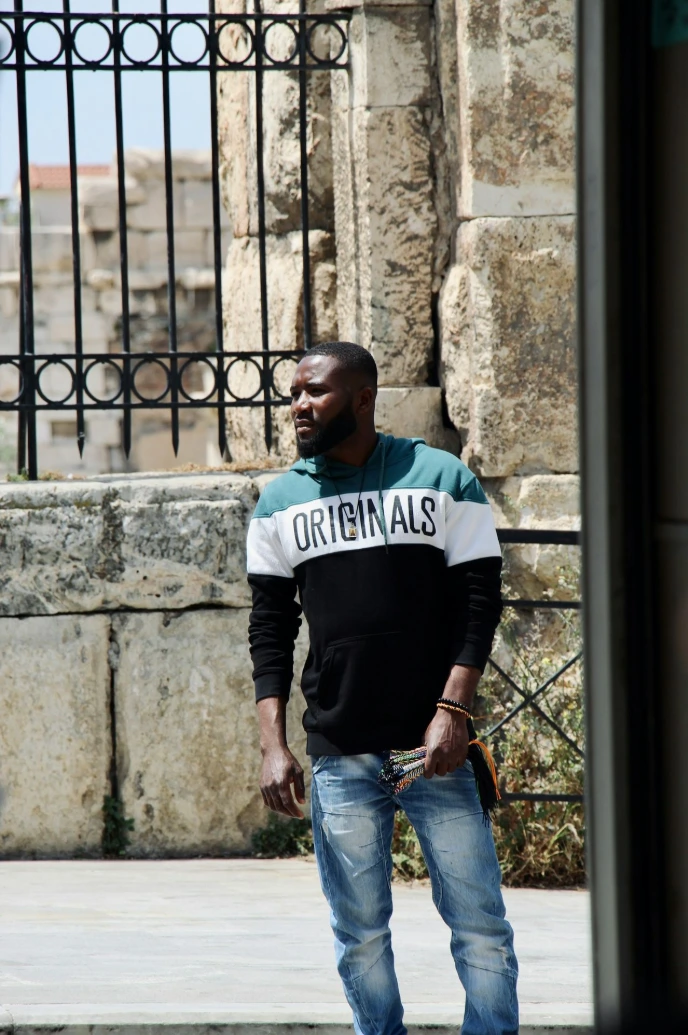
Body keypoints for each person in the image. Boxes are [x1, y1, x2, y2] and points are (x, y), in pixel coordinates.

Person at [246, 341, 519, 1035]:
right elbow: (270, 633)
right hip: (339, 751)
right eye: (295, 393)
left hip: (436, 750)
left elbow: (479, 603)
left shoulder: (441, 476)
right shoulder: (278, 503)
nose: (299, 406)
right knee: (359, 938)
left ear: (363, 397)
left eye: (316, 392)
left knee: (481, 928)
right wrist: (272, 746)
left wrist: (453, 711)